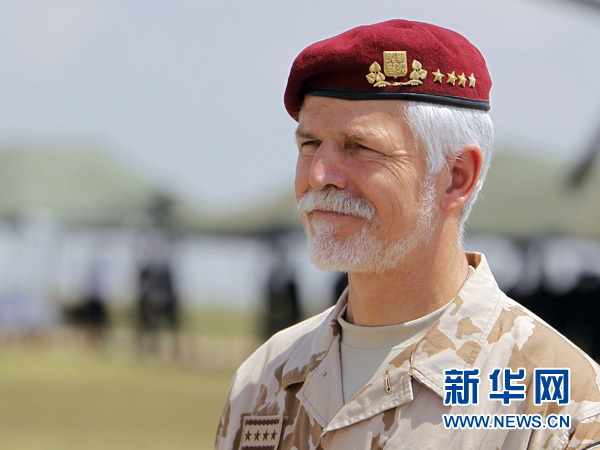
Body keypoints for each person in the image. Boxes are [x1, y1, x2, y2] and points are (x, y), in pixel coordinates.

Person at [215, 20, 600, 449]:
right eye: (309, 145)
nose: (320, 175)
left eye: (360, 147)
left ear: (456, 177)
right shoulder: (263, 381)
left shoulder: (557, 404)